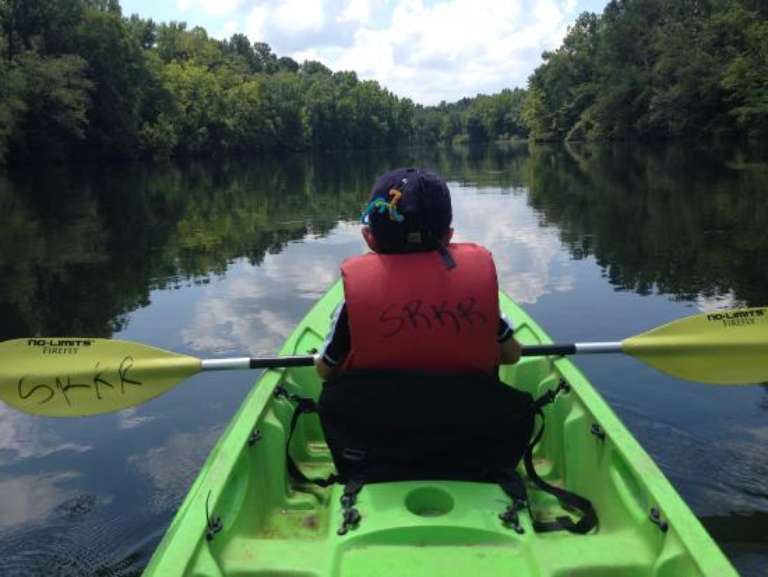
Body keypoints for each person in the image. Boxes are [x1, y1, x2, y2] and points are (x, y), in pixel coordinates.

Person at [315, 167, 521, 380]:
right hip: (469, 411)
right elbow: (512, 355)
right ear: (449, 237)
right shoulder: (475, 292)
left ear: (369, 238)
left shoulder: (353, 303)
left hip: (382, 412)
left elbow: (325, 369)